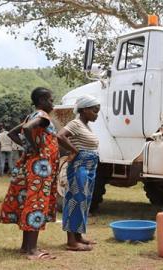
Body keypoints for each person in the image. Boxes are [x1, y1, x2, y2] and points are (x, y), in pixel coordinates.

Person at [0, 87, 59, 260]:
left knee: (31, 202)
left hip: (33, 165)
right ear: (42, 100)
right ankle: (32, 250)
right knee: (37, 204)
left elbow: (13, 132)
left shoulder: (30, 115)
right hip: (40, 168)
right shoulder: (43, 116)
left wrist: (28, 147)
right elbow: (28, 129)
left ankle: (26, 247)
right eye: (50, 100)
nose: (52, 104)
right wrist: (37, 147)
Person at [57, 95, 100, 252]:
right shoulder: (75, 123)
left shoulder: (86, 125)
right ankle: (71, 241)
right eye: (95, 111)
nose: (96, 114)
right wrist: (74, 150)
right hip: (79, 166)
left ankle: (79, 236)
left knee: (85, 200)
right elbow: (60, 136)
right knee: (75, 199)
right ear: (84, 110)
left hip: (89, 166)